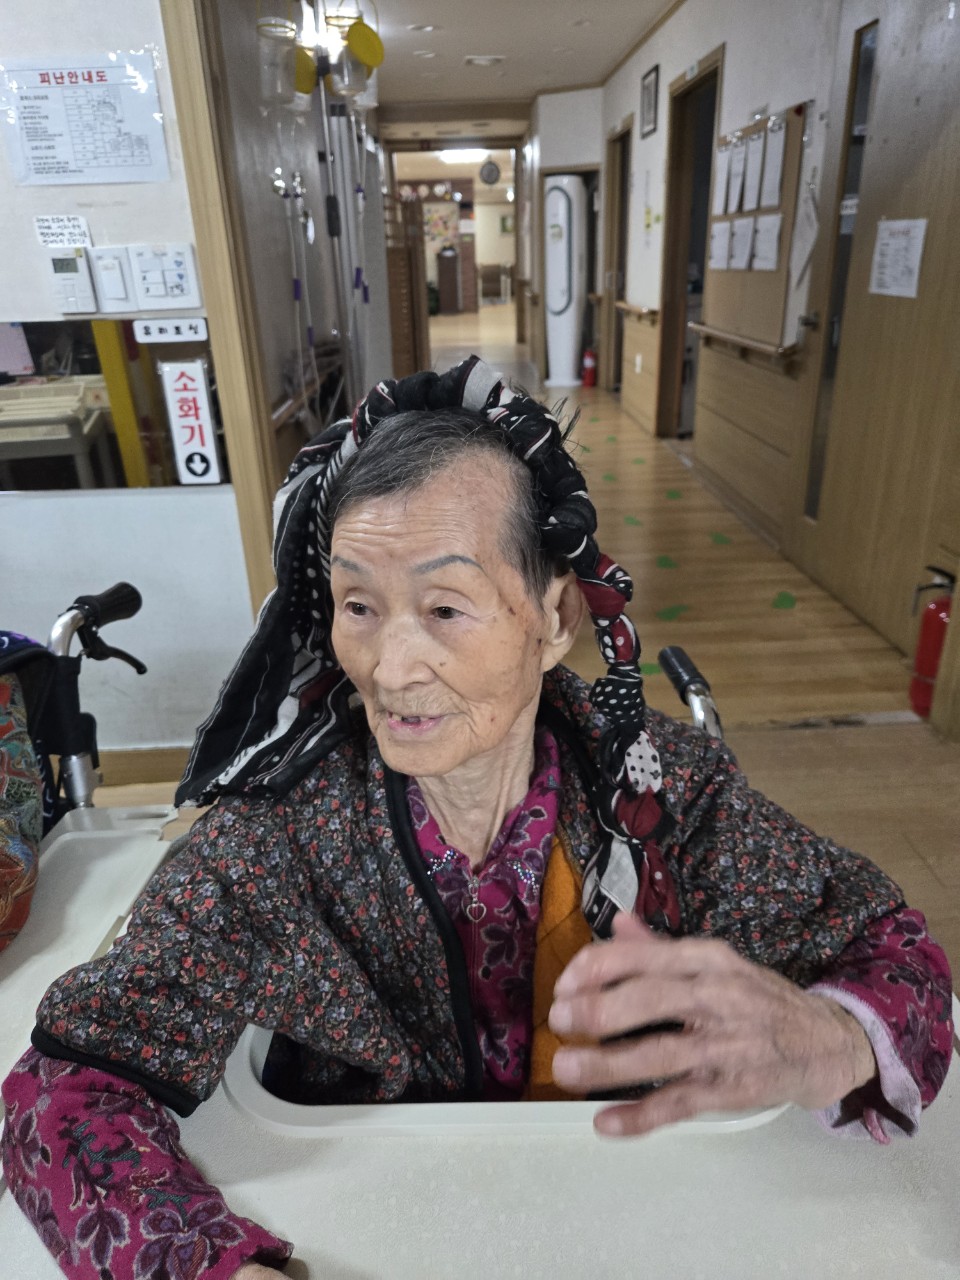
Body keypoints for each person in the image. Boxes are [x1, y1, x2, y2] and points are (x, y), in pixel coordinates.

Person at [1, 357, 952, 1280]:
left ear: (556, 618)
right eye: (359, 605)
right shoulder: (274, 839)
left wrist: (829, 1038)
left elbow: (893, 953)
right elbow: (61, 1094)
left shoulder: (662, 794)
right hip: (378, 1228)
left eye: (446, 608)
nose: (390, 667)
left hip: (637, 1216)